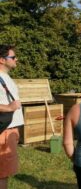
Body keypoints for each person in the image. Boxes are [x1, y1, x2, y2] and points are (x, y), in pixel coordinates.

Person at [0, 44, 23, 189]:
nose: (16, 59)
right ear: (1, 60)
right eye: (12, 57)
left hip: (9, 130)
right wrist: (8, 108)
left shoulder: (5, 77)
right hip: (4, 131)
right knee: (2, 173)